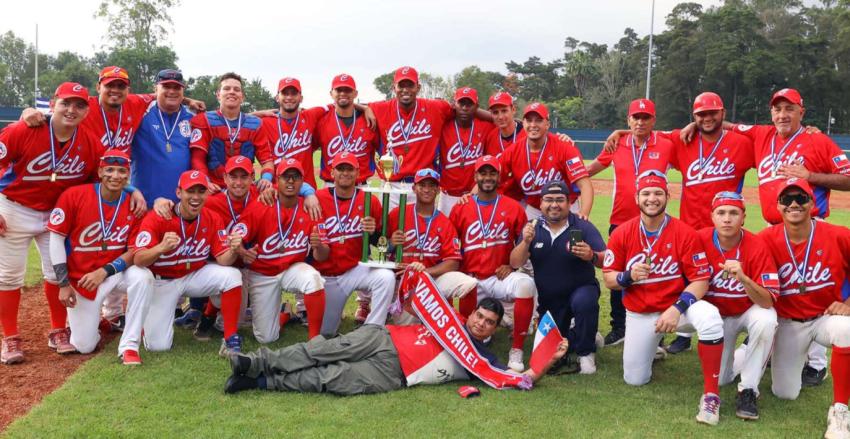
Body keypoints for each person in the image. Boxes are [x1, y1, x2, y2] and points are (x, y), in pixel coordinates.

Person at [683, 88, 850, 386]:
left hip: (808, 227)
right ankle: (775, 349)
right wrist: (695, 124)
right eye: (777, 109)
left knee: (810, 286)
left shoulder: (817, 140)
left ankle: (815, 362)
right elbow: (727, 123)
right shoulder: (762, 134)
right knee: (780, 289)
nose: (782, 115)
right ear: (771, 113)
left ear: (802, 111)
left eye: (789, 108)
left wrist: (811, 176)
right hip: (774, 230)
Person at [606, 92, 756, 354]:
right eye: (701, 115)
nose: (707, 118)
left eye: (712, 113)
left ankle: (738, 331)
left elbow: (769, 144)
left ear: (722, 113)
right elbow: (645, 130)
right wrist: (620, 132)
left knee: (728, 281)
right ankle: (684, 336)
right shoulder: (683, 139)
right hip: (690, 228)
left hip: (724, 228)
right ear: (694, 117)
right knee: (688, 280)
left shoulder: (741, 143)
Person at [222, 298, 568, 395]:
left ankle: (258, 382)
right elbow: (413, 294)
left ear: (495, 328)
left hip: (394, 372)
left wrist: (549, 360)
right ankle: (252, 363)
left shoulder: (484, 360)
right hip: (384, 337)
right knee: (320, 350)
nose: (480, 323)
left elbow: (519, 380)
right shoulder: (446, 318)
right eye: (478, 316)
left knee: (328, 378)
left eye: (489, 322)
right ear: (471, 314)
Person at [602, 171, 725, 426]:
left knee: (711, 317)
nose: (652, 199)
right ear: (637, 198)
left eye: (658, 193)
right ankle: (651, 348)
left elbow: (701, 279)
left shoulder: (684, 232)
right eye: (646, 193)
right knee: (635, 379)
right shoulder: (622, 233)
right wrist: (628, 276)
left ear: (668, 196)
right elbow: (609, 279)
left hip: (677, 310)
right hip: (641, 313)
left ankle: (711, 394)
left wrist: (677, 308)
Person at [0, 83, 104, 365]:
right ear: (54, 103)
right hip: (14, 207)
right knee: (9, 276)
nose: (72, 110)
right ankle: (10, 337)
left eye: (79, 105)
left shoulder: (90, 141)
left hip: (56, 214)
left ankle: (58, 330)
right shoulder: (24, 130)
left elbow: (97, 181)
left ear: (87, 110)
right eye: (66, 103)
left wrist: (132, 193)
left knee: (56, 272)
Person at [757, 178, 850, 438]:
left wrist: (847, 303)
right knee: (785, 393)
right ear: (778, 207)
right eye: (787, 199)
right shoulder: (766, 238)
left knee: (847, 329)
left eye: (800, 198)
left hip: (825, 317)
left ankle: (840, 410)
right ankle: (776, 359)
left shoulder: (838, 234)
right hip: (788, 321)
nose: (794, 204)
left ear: (812, 203)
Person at [119, 170, 244, 365]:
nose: (195, 197)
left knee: (233, 275)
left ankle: (230, 339)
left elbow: (223, 260)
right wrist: (160, 248)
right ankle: (145, 322)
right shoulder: (159, 216)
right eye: (190, 191)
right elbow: (138, 260)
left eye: (201, 191)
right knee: (159, 346)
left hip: (193, 275)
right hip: (163, 281)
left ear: (206, 194)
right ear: (178, 193)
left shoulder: (212, 218)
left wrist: (236, 249)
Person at [587, 98, 673, 347]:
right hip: (620, 220)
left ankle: (657, 331)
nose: (640, 122)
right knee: (617, 273)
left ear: (653, 121)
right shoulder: (618, 143)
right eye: (635, 117)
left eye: (646, 117)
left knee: (655, 275)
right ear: (628, 120)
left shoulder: (667, 145)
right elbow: (594, 167)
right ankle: (619, 326)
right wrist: (570, 174)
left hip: (654, 223)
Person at [450, 155, 536, 372]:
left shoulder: (513, 207)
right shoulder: (461, 207)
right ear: (476, 176)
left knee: (525, 284)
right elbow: (452, 248)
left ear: (499, 177)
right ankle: (473, 342)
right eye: (483, 173)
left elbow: (521, 248)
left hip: (500, 276)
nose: (487, 177)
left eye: (492, 173)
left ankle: (516, 349)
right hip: (471, 277)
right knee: (472, 331)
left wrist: (513, 266)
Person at [47, 150, 139, 355]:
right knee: (84, 346)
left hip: (113, 273)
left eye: (121, 171)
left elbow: (135, 250)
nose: (115, 176)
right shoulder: (74, 195)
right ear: (99, 171)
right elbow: (56, 239)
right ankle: (89, 323)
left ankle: (135, 337)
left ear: (128, 174)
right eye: (110, 170)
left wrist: (105, 271)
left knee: (144, 277)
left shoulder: (134, 203)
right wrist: (63, 283)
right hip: (83, 279)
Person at [697, 191, 778, 420]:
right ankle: (745, 351)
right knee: (722, 379)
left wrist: (743, 278)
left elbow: (767, 300)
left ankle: (749, 389)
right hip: (715, 318)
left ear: (743, 217)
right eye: (721, 213)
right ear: (712, 216)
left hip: (746, 312)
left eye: (734, 213)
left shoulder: (757, 244)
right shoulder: (699, 239)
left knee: (767, 318)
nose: (727, 218)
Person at [510, 180, 606, 375]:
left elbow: (607, 259)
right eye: (549, 200)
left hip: (581, 288)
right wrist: (525, 242)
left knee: (584, 302)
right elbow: (515, 262)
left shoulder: (581, 225)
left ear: (569, 203)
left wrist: (591, 255)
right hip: (551, 300)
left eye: (560, 200)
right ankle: (584, 334)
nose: (554, 205)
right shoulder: (532, 227)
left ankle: (586, 352)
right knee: (555, 351)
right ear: (541, 203)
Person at [232, 158, 327, 341]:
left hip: (292, 268)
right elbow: (237, 236)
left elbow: (322, 256)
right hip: (262, 273)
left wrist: (319, 246)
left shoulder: (310, 208)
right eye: (286, 177)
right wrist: (242, 250)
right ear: (277, 179)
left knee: (313, 278)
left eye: (295, 177)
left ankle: (315, 339)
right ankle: (284, 313)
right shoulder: (262, 204)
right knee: (266, 338)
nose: (290, 181)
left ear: (302, 181)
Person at [311, 152, 396, 336]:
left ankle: (372, 330)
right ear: (332, 172)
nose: (345, 173)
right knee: (326, 333)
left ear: (358, 173)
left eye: (350, 169)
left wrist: (374, 233)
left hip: (355, 270)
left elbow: (382, 244)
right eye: (340, 168)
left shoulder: (369, 200)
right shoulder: (317, 198)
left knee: (386, 277)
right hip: (327, 276)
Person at [387, 168, 478, 322]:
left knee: (469, 283)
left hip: (432, 280)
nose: (427, 190)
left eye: (432, 186)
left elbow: (453, 263)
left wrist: (426, 272)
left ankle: (463, 325)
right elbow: (381, 249)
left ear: (438, 190)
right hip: (403, 282)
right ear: (414, 188)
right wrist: (391, 243)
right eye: (422, 185)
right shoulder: (398, 214)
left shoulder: (445, 222)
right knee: (409, 330)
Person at [367, 66, 456, 208]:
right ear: (393, 87)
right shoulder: (379, 108)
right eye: (401, 85)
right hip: (392, 186)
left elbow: (464, 111)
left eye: (410, 85)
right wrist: (365, 109)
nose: (405, 90)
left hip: (423, 186)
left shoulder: (437, 108)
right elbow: (348, 105)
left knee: (422, 229)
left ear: (418, 87)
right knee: (389, 229)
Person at [499, 102, 592, 220]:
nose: (533, 125)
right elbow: (492, 176)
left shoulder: (564, 147)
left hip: (565, 207)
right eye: (529, 120)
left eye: (538, 120)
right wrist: (471, 196)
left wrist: (584, 214)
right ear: (524, 123)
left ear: (547, 124)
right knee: (525, 236)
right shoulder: (513, 151)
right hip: (535, 209)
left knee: (573, 237)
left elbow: (585, 184)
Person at [189, 72, 274, 191]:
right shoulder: (203, 120)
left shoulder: (255, 124)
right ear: (218, 94)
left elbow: (267, 161)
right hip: (215, 189)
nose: (232, 92)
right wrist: (205, 182)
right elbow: (197, 159)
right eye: (227, 88)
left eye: (236, 89)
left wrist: (266, 178)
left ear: (242, 96)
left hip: (244, 190)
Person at [130, 69, 196, 208]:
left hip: (181, 208)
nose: (172, 91)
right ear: (156, 89)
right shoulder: (140, 114)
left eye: (177, 87)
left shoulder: (193, 119)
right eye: (166, 87)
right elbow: (122, 98)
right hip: (145, 205)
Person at [314, 74, 379, 187]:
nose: (343, 93)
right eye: (339, 90)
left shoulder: (369, 120)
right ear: (331, 93)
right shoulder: (321, 120)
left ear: (355, 93)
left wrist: (366, 108)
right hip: (331, 186)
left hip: (361, 186)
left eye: (347, 90)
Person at [437, 87, 494, 213]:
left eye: (469, 104)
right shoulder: (443, 125)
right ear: (454, 104)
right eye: (461, 103)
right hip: (447, 195)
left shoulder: (486, 126)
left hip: (473, 195)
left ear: (476, 107)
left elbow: (501, 121)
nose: (464, 108)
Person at [483, 91, 524, 201]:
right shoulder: (491, 136)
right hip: (499, 197)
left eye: (504, 111)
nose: (500, 116)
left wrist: (563, 137)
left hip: (525, 198)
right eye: (495, 112)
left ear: (513, 110)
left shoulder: (527, 133)